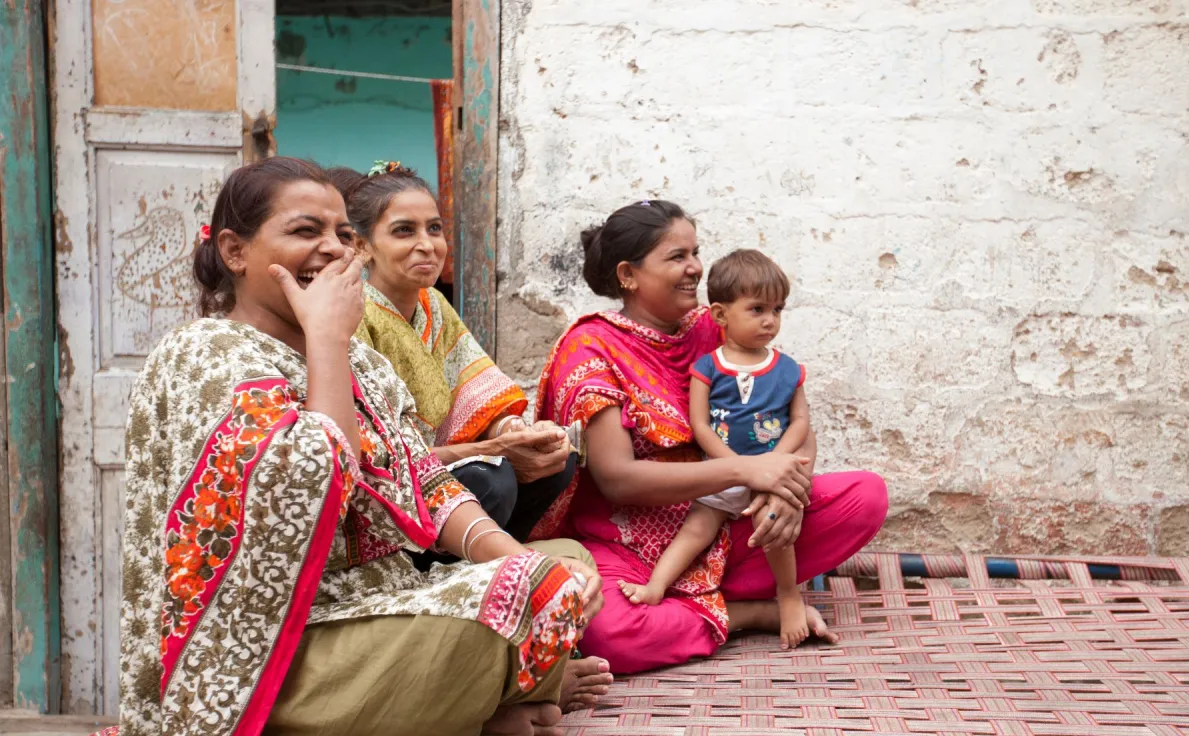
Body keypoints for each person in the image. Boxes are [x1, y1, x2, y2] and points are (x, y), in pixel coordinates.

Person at [96, 158, 607, 736]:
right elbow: (315, 480)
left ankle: (476, 703)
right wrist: (328, 339)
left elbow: (423, 481)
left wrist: (520, 558)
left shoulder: (362, 362)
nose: (332, 250)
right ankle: (482, 704)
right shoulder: (205, 353)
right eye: (304, 231)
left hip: (382, 606)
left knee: (564, 566)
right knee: (501, 606)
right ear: (236, 252)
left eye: (342, 235)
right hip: (271, 643)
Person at [530, 200, 889, 674]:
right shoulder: (590, 348)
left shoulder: (713, 326)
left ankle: (694, 602)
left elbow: (792, 420)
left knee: (866, 496)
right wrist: (745, 469)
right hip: (626, 546)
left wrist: (786, 490)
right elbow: (617, 479)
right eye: (676, 257)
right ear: (628, 274)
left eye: (695, 252)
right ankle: (748, 612)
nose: (695, 268)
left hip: (727, 522)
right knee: (607, 633)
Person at [334, 162, 576, 544]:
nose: (427, 244)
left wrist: (517, 433)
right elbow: (379, 454)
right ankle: (442, 560)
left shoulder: (434, 305)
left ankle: (496, 550)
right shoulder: (354, 312)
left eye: (434, 228)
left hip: (441, 461)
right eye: (403, 231)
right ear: (363, 246)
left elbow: (478, 396)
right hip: (392, 481)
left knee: (557, 462)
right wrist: (496, 448)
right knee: (488, 479)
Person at [617, 248, 813, 650]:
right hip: (720, 472)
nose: (769, 321)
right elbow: (701, 427)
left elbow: (800, 422)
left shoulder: (787, 368)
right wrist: (739, 468)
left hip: (773, 475)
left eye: (777, 310)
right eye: (757, 309)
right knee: (696, 528)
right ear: (721, 315)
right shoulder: (707, 367)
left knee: (776, 531)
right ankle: (657, 586)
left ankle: (788, 595)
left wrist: (774, 467)